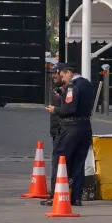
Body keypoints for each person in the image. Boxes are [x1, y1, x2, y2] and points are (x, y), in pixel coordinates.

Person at [45, 62, 95, 206]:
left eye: (63, 76)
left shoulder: (72, 86)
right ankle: (76, 197)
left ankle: (57, 195)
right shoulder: (87, 84)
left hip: (71, 128)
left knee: (60, 160)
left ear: (69, 73)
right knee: (78, 163)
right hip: (85, 127)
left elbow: (69, 109)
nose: (62, 79)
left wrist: (55, 110)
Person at [46, 62, 64, 197]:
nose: (53, 76)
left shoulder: (66, 89)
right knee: (57, 161)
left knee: (58, 161)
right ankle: (56, 189)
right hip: (55, 130)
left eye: (55, 73)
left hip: (62, 130)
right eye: (52, 74)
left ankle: (55, 192)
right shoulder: (55, 88)